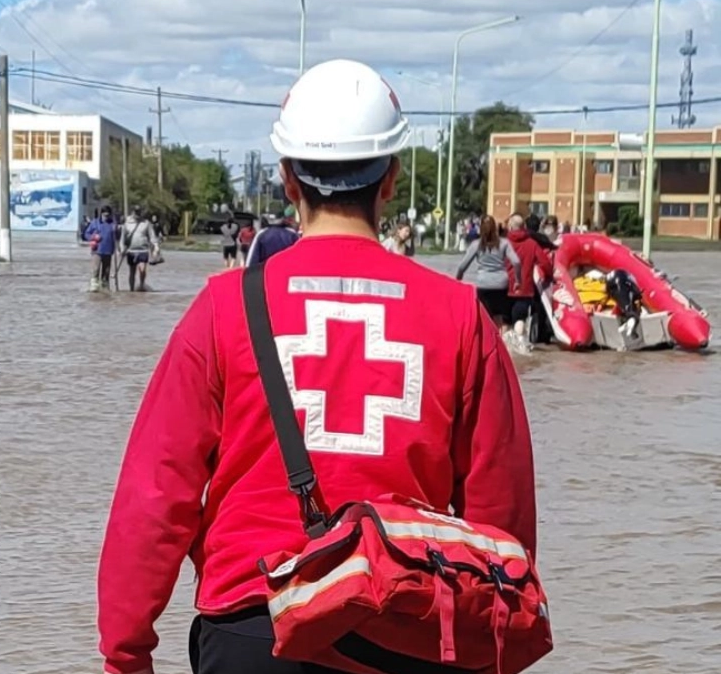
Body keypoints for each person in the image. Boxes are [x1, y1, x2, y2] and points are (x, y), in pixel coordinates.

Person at [97, 58, 537, 674]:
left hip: (253, 633)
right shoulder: (461, 317)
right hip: (406, 632)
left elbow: (154, 496)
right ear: (391, 179)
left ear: (286, 179)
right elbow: (502, 526)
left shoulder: (224, 309)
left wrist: (126, 654)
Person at [455, 215, 522, 329]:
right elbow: (516, 261)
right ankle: (499, 342)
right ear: (495, 228)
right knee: (499, 317)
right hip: (501, 284)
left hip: (483, 283)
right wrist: (518, 280)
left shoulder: (476, 244)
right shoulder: (504, 243)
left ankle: (484, 343)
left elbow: (462, 266)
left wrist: (458, 278)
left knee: (483, 316)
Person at [505, 213, 554, 352]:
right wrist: (549, 276)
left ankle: (505, 353)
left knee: (505, 322)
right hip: (524, 289)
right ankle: (520, 350)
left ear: (510, 227)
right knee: (520, 319)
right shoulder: (531, 244)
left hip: (504, 287)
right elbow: (545, 262)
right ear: (524, 227)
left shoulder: (503, 242)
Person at [120, 208, 156, 292]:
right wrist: (121, 248)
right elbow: (123, 237)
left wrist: (156, 247)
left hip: (143, 250)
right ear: (132, 213)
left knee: (142, 270)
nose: (137, 214)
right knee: (132, 271)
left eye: (139, 212)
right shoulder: (127, 224)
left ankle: (141, 285)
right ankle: (131, 289)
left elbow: (152, 236)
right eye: (136, 212)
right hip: (131, 251)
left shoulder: (146, 223)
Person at [83, 205, 118, 292]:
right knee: (96, 269)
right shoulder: (95, 223)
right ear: (101, 214)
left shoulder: (113, 224)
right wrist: (93, 237)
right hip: (97, 250)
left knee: (106, 271)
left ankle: (105, 286)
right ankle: (94, 286)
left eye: (108, 215)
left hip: (108, 251)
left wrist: (117, 230)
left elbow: (117, 237)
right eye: (105, 215)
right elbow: (86, 234)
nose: (106, 217)